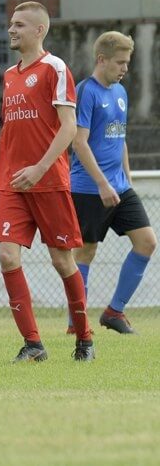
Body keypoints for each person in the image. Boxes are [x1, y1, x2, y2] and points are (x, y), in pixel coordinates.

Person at [0, 0, 94, 363]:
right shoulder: (10, 75)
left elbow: (69, 128)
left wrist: (40, 168)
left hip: (48, 180)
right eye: (11, 24)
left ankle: (84, 338)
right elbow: (10, 134)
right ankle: (33, 344)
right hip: (13, 183)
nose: (12, 29)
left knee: (62, 262)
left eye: (20, 25)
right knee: (7, 255)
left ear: (39, 30)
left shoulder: (55, 68)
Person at [69, 31, 155, 334]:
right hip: (89, 188)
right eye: (119, 62)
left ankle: (114, 312)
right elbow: (79, 143)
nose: (125, 68)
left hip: (119, 187)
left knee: (147, 242)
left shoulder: (120, 92)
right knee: (86, 252)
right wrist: (104, 183)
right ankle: (76, 325)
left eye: (127, 63)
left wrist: (126, 181)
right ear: (101, 59)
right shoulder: (85, 92)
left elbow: (120, 139)